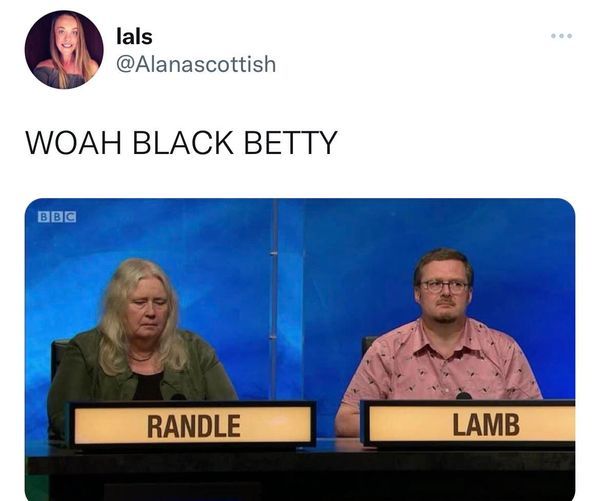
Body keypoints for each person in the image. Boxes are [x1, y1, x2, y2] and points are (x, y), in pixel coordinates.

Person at [334, 248, 542, 437]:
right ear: (417, 293)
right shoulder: (386, 350)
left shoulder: (504, 350)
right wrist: (418, 427)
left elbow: (537, 421)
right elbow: (345, 421)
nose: (446, 292)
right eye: (434, 284)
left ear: (469, 295)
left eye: (457, 284)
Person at [48, 258, 237, 439]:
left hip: (185, 460)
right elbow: (64, 420)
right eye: (140, 303)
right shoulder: (85, 349)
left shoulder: (196, 350)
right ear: (117, 306)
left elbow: (233, 418)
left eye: (160, 303)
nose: (151, 312)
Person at [34, 12, 99, 89]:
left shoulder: (91, 68)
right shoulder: (43, 69)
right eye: (61, 31)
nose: (67, 39)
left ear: (78, 37)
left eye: (74, 32)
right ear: (54, 35)